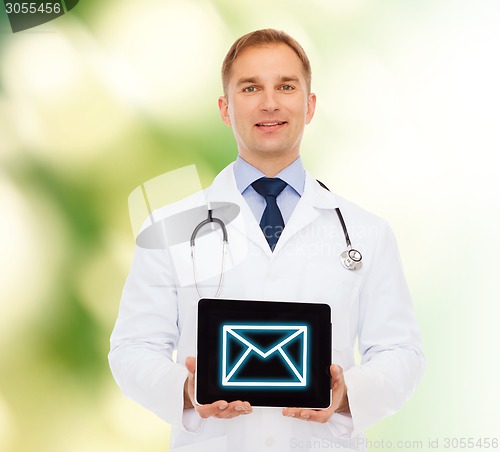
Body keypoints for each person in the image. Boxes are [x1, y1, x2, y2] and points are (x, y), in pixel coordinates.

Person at [109, 29, 425, 452]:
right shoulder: (174, 227)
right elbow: (133, 348)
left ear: (310, 106)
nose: (270, 102)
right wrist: (186, 390)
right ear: (225, 107)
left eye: (286, 86)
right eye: (251, 87)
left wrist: (347, 393)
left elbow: (401, 353)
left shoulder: (365, 231)